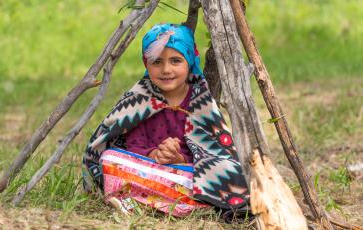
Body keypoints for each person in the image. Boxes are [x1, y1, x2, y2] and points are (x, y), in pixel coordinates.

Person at [82, 23, 250, 218]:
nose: (166, 69)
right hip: (145, 170)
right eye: (157, 62)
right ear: (147, 64)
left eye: (175, 61)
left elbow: (214, 152)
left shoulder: (200, 102)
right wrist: (156, 155)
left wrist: (178, 159)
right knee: (110, 159)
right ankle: (166, 205)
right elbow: (134, 146)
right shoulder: (139, 99)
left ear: (190, 62)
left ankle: (144, 203)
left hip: (185, 175)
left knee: (229, 174)